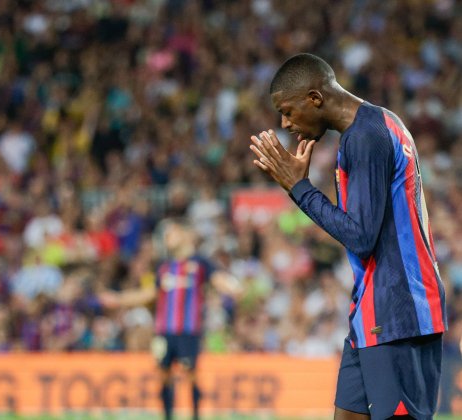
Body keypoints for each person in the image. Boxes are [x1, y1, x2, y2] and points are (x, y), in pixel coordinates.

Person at [249, 53, 446, 420]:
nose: (284, 123)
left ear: (315, 98)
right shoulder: (380, 122)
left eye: (288, 111)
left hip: (399, 312)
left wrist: (299, 188)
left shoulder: (365, 137)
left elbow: (360, 237)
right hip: (372, 309)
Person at [100, 218, 242, 420]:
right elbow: (149, 293)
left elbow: (218, 279)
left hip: (188, 330)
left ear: (183, 234)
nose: (168, 238)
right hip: (164, 331)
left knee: (190, 373)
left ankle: (194, 415)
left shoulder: (199, 263)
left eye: (171, 232)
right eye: (165, 236)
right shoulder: (164, 267)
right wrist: (119, 299)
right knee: (163, 375)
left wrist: (234, 288)